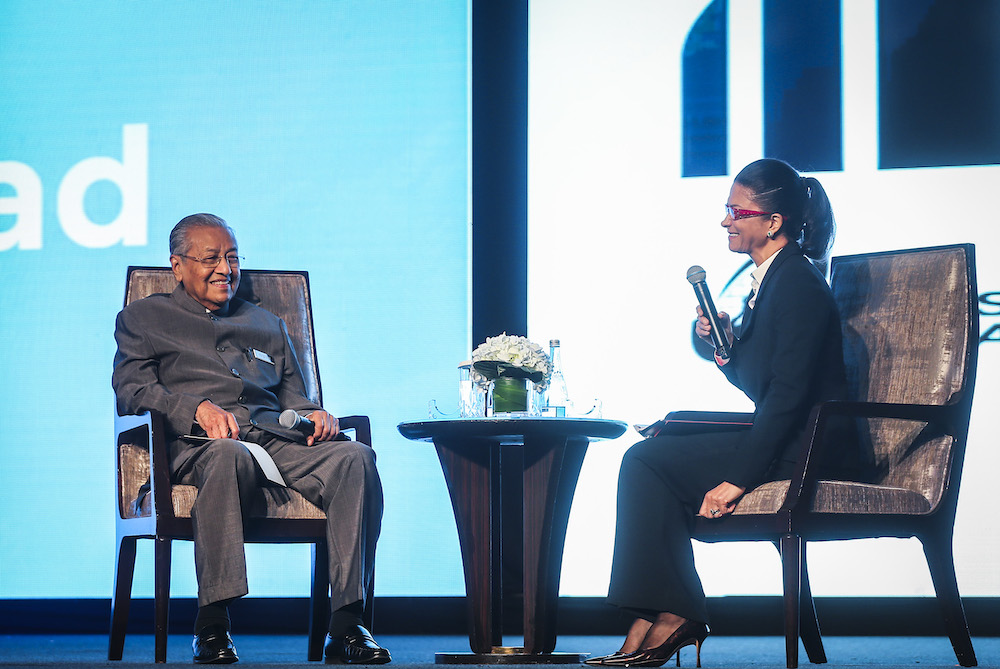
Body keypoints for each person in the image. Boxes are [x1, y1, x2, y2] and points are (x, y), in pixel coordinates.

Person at [590, 159, 869, 667]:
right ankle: (661, 613)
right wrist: (724, 345)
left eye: (736, 211)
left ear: (773, 221)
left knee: (648, 462)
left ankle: (671, 615)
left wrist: (737, 480)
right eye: (726, 210)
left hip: (812, 451)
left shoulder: (799, 285)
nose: (725, 221)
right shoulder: (774, 279)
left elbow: (786, 398)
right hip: (790, 437)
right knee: (650, 457)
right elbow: (759, 384)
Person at [112, 213, 390, 665]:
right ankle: (213, 623)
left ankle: (347, 623)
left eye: (233, 258)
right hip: (198, 444)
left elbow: (296, 400)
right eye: (211, 259)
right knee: (227, 455)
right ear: (177, 265)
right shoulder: (143, 319)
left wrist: (314, 415)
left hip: (278, 440)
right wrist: (195, 408)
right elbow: (131, 392)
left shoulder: (267, 323)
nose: (226, 269)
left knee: (356, 457)